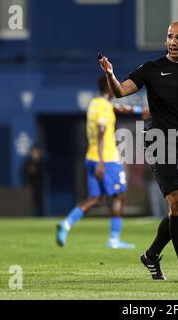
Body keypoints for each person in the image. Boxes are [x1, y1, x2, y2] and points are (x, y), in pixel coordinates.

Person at [99, 20, 178, 282]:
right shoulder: (151, 69)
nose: (172, 41)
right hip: (159, 140)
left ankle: (151, 255)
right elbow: (121, 91)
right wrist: (111, 75)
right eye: (170, 36)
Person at [56, 76, 148, 249]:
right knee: (119, 195)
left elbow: (118, 108)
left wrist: (139, 109)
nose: (117, 87)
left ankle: (66, 224)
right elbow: (101, 130)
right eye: (114, 85)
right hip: (106, 159)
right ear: (109, 88)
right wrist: (100, 162)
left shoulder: (95, 103)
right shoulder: (105, 108)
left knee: (95, 198)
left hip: (90, 157)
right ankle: (114, 239)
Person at [21, 144, 46, 217]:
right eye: (34, 152)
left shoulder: (42, 162)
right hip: (29, 187)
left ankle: (41, 218)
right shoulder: (28, 162)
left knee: (39, 204)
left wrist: (35, 171)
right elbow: (24, 173)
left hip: (39, 186)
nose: (35, 154)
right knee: (29, 204)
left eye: (37, 152)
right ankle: (29, 217)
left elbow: (43, 172)